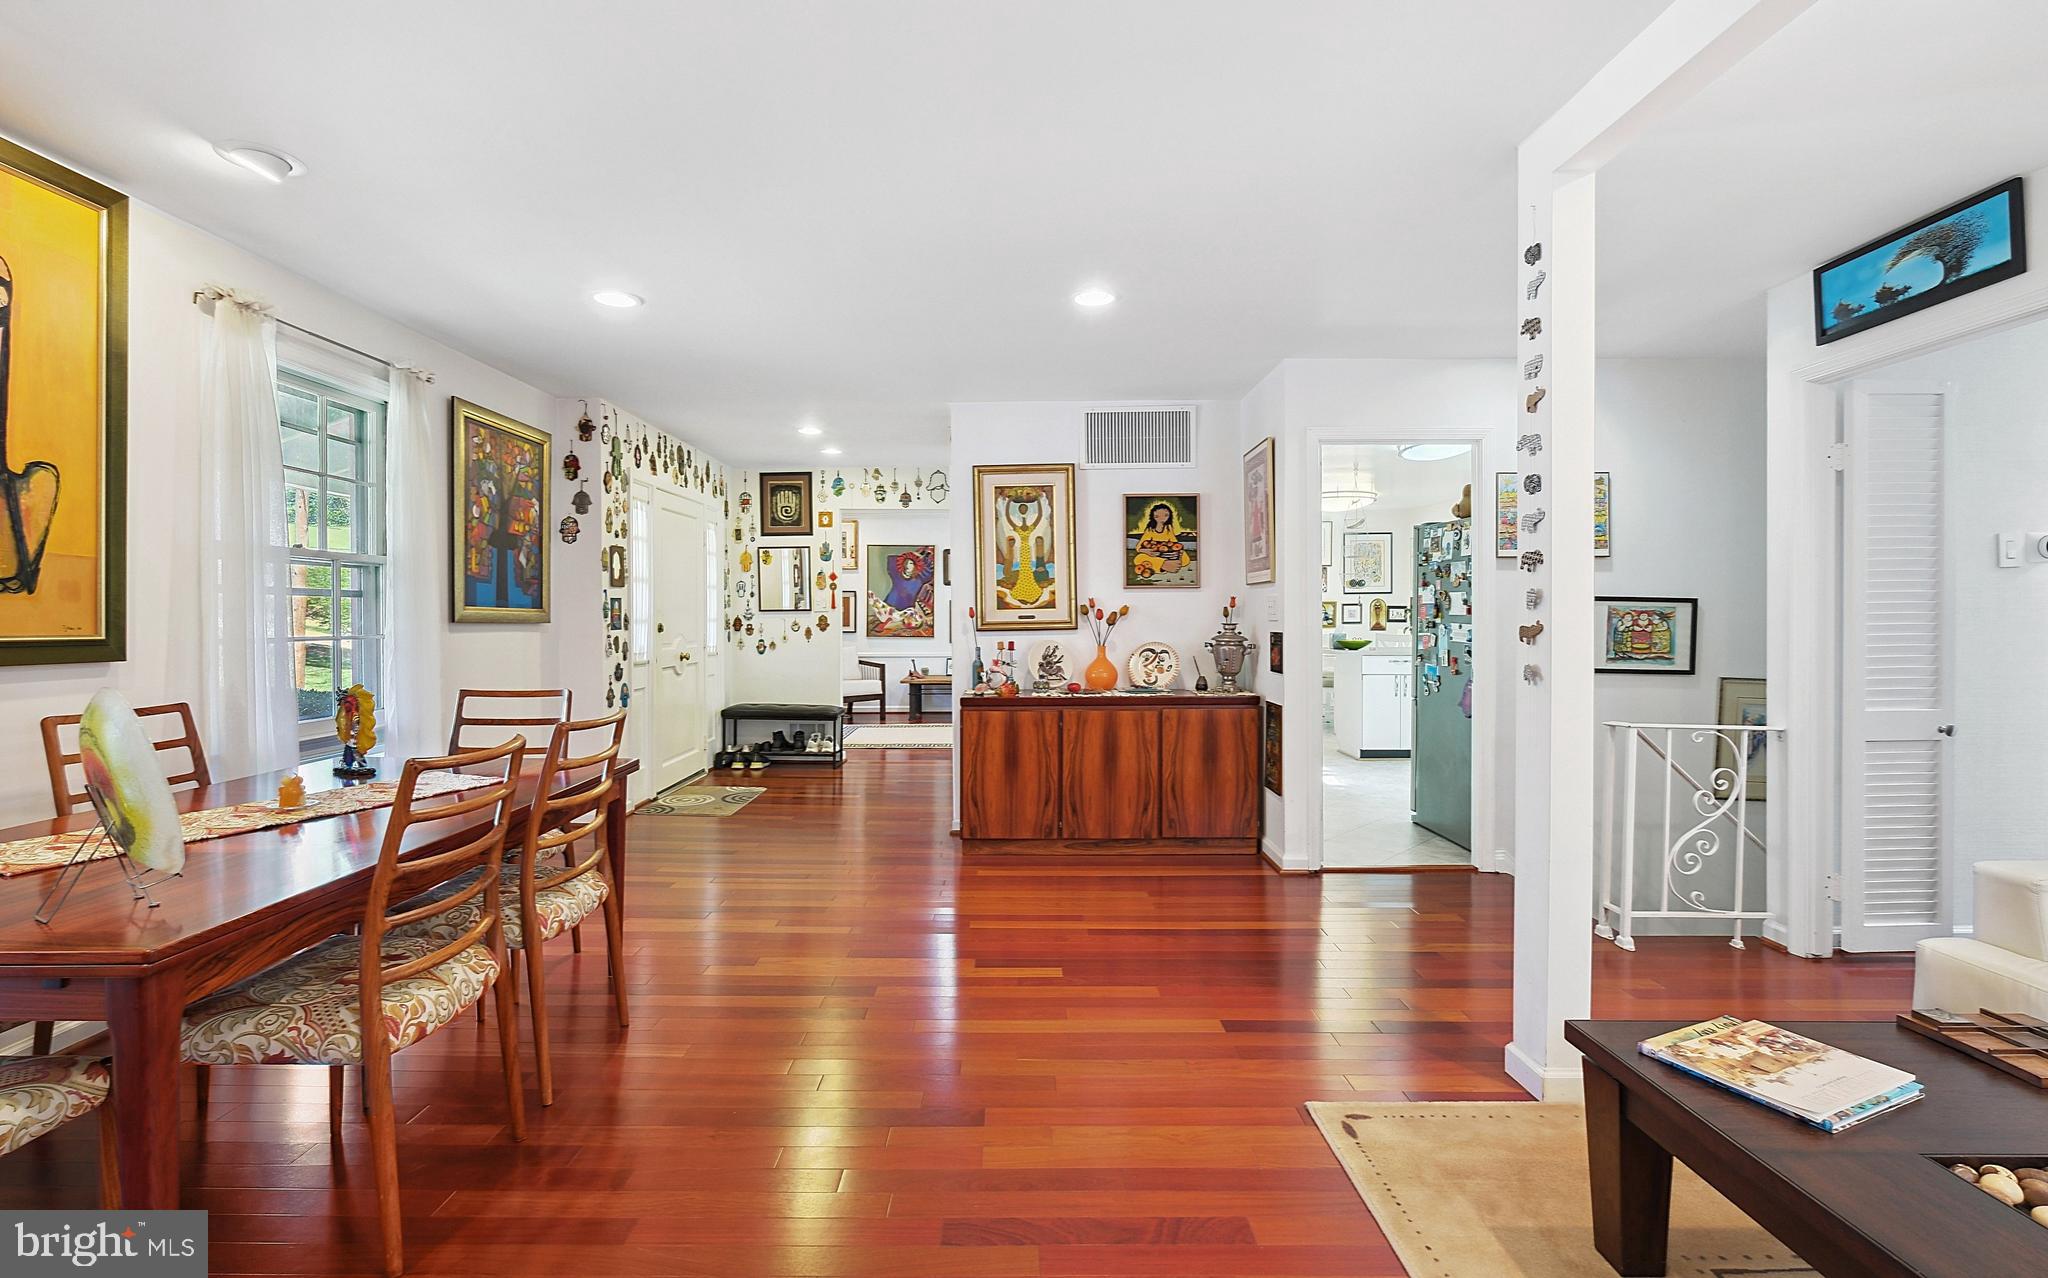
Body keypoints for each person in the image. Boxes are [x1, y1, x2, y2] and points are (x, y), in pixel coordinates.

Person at [1130, 502, 1191, 580]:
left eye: (1166, 515)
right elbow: (1139, 546)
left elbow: (1174, 543)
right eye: (1158, 516)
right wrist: (1146, 551)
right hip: (1155, 554)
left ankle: (1162, 565)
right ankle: (1163, 565)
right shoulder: (1150, 529)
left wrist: (1180, 551)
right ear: (1154, 517)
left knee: (1186, 559)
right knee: (1138, 558)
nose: (1162, 519)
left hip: (1168, 554)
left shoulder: (1169, 528)